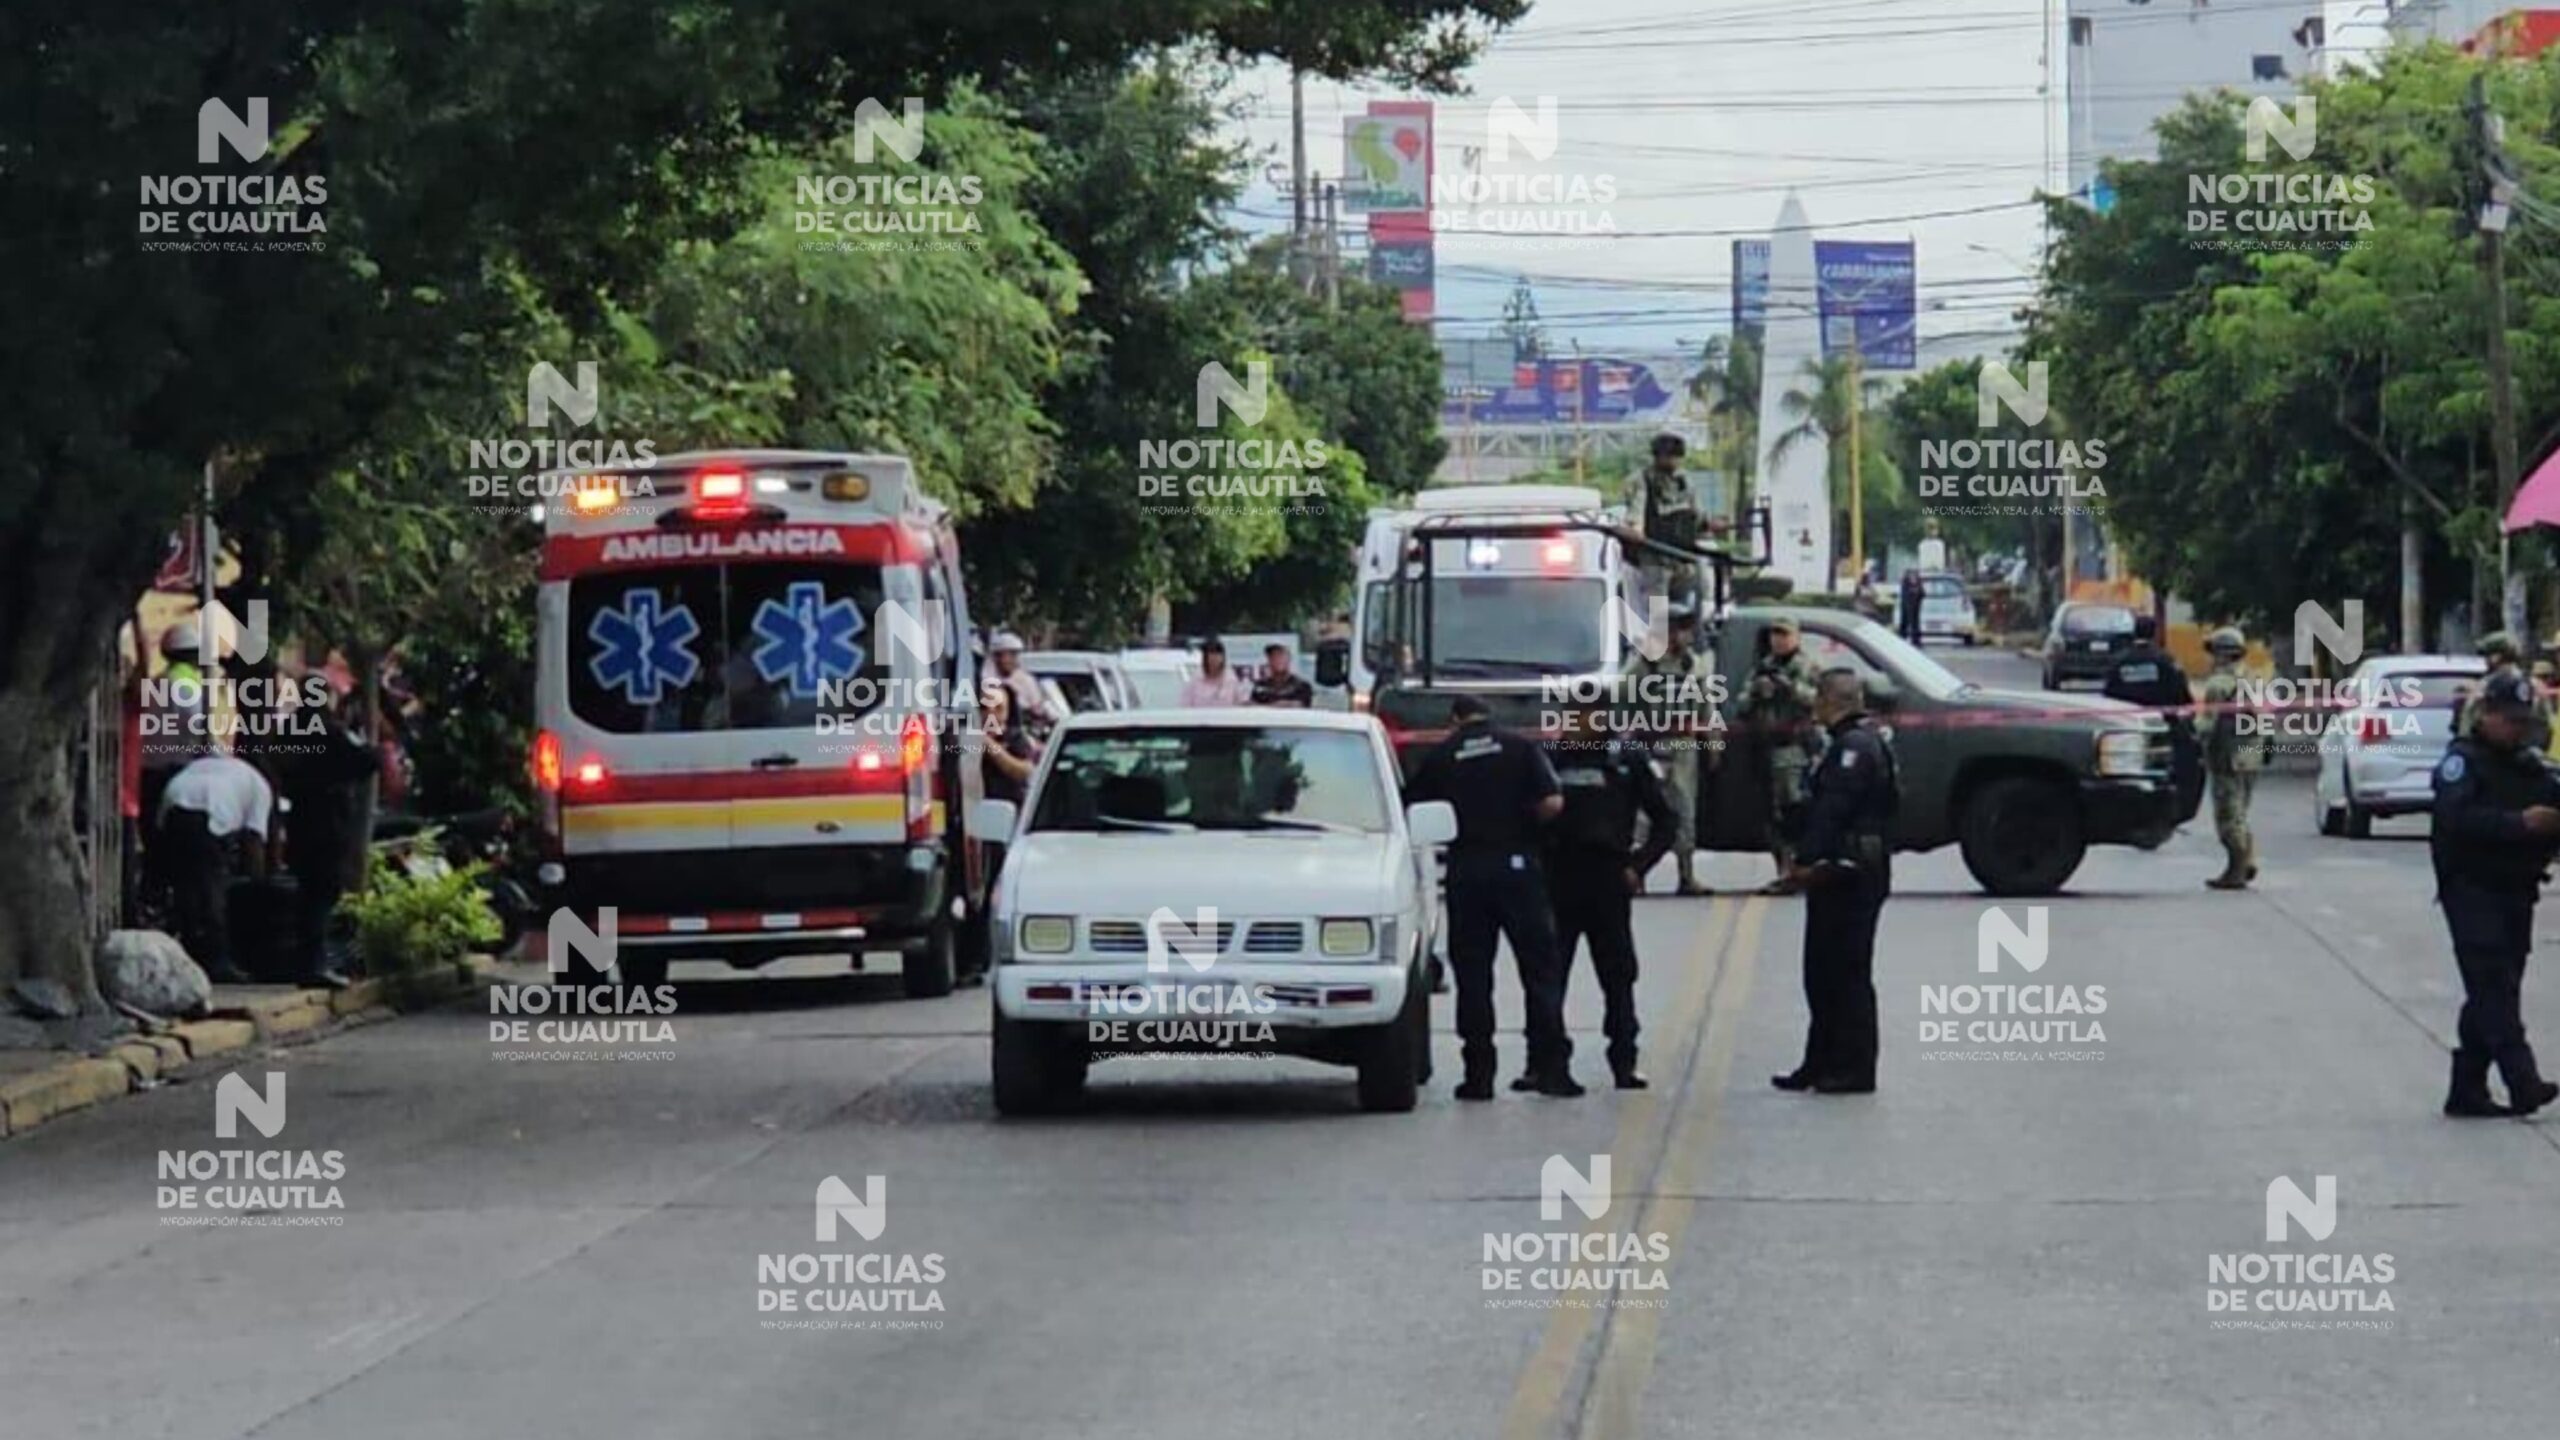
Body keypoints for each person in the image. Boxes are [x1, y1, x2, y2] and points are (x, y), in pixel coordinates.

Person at [1406, 694, 1576, 1099]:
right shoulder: (1520, 748)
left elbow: (1412, 807)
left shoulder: (1443, 755)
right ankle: (1551, 1068)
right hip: (1518, 866)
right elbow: (1553, 801)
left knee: (1474, 976)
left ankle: (1478, 1075)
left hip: (1468, 871)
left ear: (1455, 720)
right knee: (1540, 971)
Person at [2430, 670, 2560, 1118]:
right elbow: (2457, 819)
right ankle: (2523, 1080)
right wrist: (2520, 823)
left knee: (2494, 989)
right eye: (2508, 720)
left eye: (2522, 722)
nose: (2516, 730)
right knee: (2493, 987)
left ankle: (2466, 1089)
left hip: (2516, 891)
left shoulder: (2529, 766)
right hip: (2471, 890)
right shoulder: (2462, 762)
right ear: (2485, 715)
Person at [1772, 668, 1897, 1095]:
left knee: (1846, 972)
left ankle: (1854, 1067)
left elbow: (1833, 810)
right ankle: (1819, 1060)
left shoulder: (1855, 748)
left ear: (1834, 701)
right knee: (1821, 971)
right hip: (1837, 872)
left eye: (1820, 700)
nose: (1815, 708)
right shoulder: (1843, 743)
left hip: (1850, 872)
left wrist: (1805, 860)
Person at [1545, 699, 1678, 1089]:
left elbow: (1666, 820)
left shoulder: (1626, 758)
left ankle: (1624, 1059)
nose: (1574, 725)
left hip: (1608, 879)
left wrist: (1639, 866)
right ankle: (1548, 1064)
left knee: (1618, 975)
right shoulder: (1551, 759)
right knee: (1550, 976)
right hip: (1559, 878)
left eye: (1583, 717)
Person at [279, 684, 377, 988]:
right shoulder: (331, 730)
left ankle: (306, 962)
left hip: (299, 818)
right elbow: (367, 760)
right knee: (324, 892)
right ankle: (315, 965)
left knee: (308, 892)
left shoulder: (289, 729)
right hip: (328, 819)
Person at [157, 749, 276, 985]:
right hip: (209, 812)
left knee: (185, 888)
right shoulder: (260, 787)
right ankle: (218, 962)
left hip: (174, 802)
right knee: (211, 890)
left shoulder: (219, 768)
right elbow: (254, 843)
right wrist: (259, 884)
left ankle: (190, 954)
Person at [1630, 606, 1711, 894]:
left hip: (1683, 747)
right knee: (1645, 813)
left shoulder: (1695, 665)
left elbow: (1706, 708)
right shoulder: (1644, 666)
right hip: (1651, 745)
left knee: (1685, 810)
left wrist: (1712, 745)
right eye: (1677, 629)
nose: (1683, 636)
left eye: (1686, 629)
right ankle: (1637, 874)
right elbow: (1623, 705)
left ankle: (1686, 875)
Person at [1740, 616, 1820, 892]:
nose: (1779, 639)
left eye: (1784, 634)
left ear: (1796, 637)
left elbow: (1817, 699)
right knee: (1771, 814)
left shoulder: (1806, 666)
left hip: (1793, 748)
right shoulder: (1763, 667)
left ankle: (1798, 869)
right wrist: (1756, 692)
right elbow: (1740, 703)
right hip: (1765, 747)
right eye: (1774, 634)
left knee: (1792, 811)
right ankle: (1784, 868)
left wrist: (1789, 688)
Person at [2103, 614, 2202, 822]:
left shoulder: (2119, 661)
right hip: (2161, 726)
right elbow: (2182, 695)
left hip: (2126, 727)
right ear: (2155, 633)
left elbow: (2108, 696)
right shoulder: (2165, 661)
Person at [2198, 626, 2264, 890]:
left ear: (2222, 655)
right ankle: (2246, 861)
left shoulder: (2218, 684)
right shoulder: (2253, 679)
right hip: (2251, 755)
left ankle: (2237, 868)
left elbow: (2207, 725)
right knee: (2241, 812)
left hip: (2227, 756)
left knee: (2228, 815)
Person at [1628, 432, 1700, 613]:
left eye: (1675, 457)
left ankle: (1687, 637)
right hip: (1654, 554)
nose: (1671, 461)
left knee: (1693, 600)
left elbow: (1696, 511)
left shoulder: (1685, 480)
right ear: (1657, 457)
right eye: (1667, 456)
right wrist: (1636, 528)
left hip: (1682, 554)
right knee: (1657, 605)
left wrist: (1706, 523)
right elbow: (1637, 508)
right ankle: (1658, 639)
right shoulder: (1642, 479)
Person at [2456, 632, 2552, 752]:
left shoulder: (2484, 687)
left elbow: (2467, 728)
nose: (2486, 661)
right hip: (2527, 760)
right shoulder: (2537, 686)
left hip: (2491, 761)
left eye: (2487, 656)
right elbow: (2546, 728)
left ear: (2496, 657)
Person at [984, 631, 1055, 731]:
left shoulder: (1026, 681)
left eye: (1015, 654)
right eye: (1010, 654)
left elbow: (1037, 708)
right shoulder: (987, 681)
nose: (1013, 659)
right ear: (996, 657)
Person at [1179, 637, 1251, 707]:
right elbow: (1185, 706)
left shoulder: (1231, 679)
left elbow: (1241, 702)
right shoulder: (1195, 679)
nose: (1214, 659)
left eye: (1217, 655)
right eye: (1211, 655)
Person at [1249, 643, 1314, 707]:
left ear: (1289, 658)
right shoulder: (1260, 685)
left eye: (1281, 655)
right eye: (1273, 656)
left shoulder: (1302, 685)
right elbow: (1253, 707)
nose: (1277, 660)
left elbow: (1297, 705)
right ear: (1268, 660)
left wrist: (1264, 706)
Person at [1897, 568, 1926, 646]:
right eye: (1912, 575)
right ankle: (1904, 638)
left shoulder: (1918, 584)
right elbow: (1905, 595)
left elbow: (1923, 594)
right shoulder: (1905, 584)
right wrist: (1914, 592)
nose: (1913, 578)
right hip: (1907, 606)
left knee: (1914, 623)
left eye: (1914, 576)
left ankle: (1915, 640)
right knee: (1905, 622)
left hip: (1915, 606)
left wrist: (1917, 593)